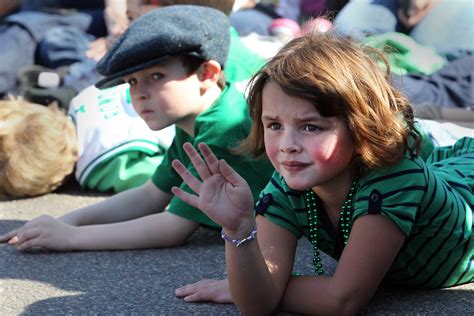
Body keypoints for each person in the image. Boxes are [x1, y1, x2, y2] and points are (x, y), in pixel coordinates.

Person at [171, 32, 473, 314]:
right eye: (275, 125)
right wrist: (239, 233)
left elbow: (341, 300)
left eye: (310, 126)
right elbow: (258, 305)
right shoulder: (286, 184)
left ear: (361, 129)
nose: (288, 146)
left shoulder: (393, 179)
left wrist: (258, 286)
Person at [0, 5, 273, 252]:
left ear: (207, 74)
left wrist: (71, 237)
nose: (139, 94)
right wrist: (63, 221)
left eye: (156, 76)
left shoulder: (220, 128)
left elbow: (173, 227)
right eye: (132, 81)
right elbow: (151, 194)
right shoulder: (194, 120)